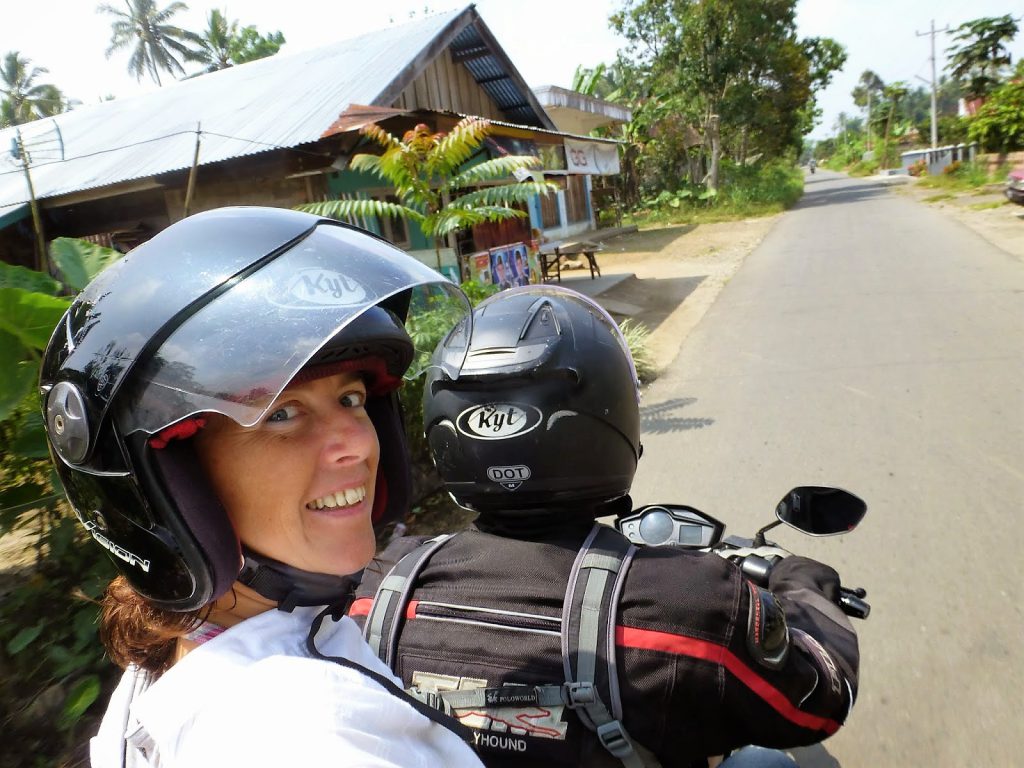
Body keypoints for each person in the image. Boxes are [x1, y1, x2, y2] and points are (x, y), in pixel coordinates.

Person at [40, 207, 482, 767]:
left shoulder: (176, 658)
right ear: (179, 482)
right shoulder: (309, 737)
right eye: (281, 413)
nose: (357, 443)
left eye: (351, 399)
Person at [351, 285, 859, 768]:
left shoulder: (375, 587)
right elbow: (819, 703)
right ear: (610, 417)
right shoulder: (692, 606)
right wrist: (803, 582)